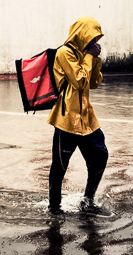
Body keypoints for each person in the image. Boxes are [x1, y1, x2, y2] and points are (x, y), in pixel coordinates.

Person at [47, 16, 112, 218]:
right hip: (67, 120)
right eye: (92, 38)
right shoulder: (64, 53)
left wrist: (95, 59)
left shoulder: (84, 54)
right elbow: (79, 81)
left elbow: (93, 83)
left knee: (100, 155)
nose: (95, 43)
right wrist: (90, 57)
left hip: (87, 119)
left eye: (96, 40)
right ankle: (54, 207)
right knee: (60, 165)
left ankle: (88, 201)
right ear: (82, 35)